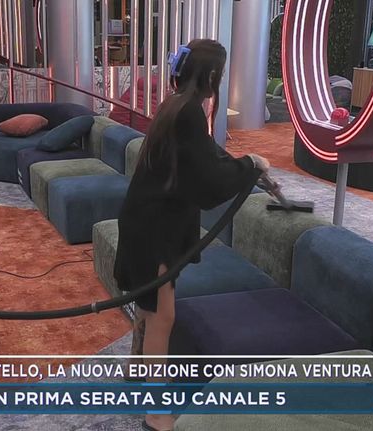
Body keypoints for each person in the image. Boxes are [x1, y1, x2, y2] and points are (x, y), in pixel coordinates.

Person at [113, 39, 270, 431]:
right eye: (221, 73)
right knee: (162, 316)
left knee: (151, 304)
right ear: (213, 75)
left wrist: (247, 166)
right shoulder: (189, 113)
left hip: (148, 220)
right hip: (154, 229)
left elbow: (205, 155)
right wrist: (249, 165)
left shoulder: (176, 104)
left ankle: (136, 365)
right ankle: (156, 412)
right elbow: (208, 180)